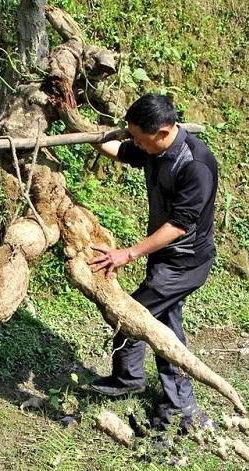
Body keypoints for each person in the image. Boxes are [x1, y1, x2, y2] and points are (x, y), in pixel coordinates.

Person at [89, 94, 218, 431]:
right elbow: (122, 150)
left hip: (184, 264)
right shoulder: (154, 149)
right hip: (166, 259)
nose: (137, 144)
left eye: (141, 139)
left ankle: (142, 385)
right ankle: (168, 396)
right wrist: (91, 136)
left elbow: (178, 224)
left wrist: (127, 253)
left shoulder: (195, 165)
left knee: (130, 314)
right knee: (162, 324)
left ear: (162, 132)